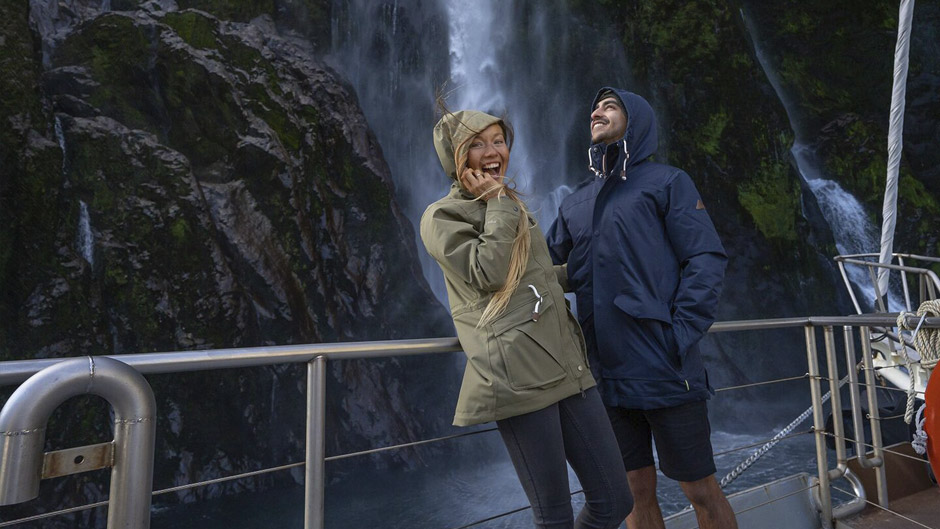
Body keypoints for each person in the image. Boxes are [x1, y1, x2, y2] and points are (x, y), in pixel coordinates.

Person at [420, 108, 633, 529]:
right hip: (517, 374)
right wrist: (499, 203)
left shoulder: (508, 205)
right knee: (553, 517)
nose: (492, 151)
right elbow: (489, 273)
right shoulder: (442, 217)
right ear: (455, 156)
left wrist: (579, 273)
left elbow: (526, 281)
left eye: (498, 140)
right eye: (477, 144)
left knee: (615, 498)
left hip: (567, 363)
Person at [546, 87, 735, 529]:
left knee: (699, 487)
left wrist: (681, 332)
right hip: (604, 373)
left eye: (610, 106)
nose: (597, 111)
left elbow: (706, 258)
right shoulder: (575, 201)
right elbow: (543, 268)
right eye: (594, 106)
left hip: (665, 365)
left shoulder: (669, 183)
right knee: (633, 490)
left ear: (638, 121)